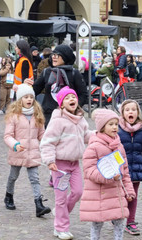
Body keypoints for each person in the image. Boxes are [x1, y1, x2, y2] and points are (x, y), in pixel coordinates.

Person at [40, 86, 92, 239]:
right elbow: (47, 142)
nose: (72, 99)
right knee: (61, 198)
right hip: (59, 165)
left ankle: (59, 214)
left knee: (78, 192)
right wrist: (49, 161)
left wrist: (100, 134)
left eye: (73, 97)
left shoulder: (81, 119)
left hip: (75, 164)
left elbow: (86, 135)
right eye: (68, 98)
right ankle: (61, 228)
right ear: (61, 103)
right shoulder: (58, 121)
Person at [80, 109, 136, 240]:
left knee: (120, 221)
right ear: (102, 127)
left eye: (116, 124)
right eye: (111, 124)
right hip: (99, 193)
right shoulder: (93, 146)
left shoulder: (119, 146)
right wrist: (107, 176)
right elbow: (89, 170)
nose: (115, 127)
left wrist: (129, 191)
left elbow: (125, 171)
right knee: (97, 222)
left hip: (116, 193)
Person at [4, 84, 51, 217]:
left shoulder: (37, 116)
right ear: (20, 99)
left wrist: (49, 143)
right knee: (13, 176)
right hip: (18, 152)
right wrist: (15, 145)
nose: (29, 99)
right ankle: (9, 195)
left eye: (31, 97)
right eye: (26, 97)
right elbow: (8, 136)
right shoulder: (14, 116)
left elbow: (42, 134)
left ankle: (38, 204)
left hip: (33, 153)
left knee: (35, 179)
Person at [118, 100, 142, 235]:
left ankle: (130, 222)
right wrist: (118, 165)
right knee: (120, 196)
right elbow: (113, 150)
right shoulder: (117, 129)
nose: (130, 112)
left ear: (138, 112)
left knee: (132, 196)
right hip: (122, 171)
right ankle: (117, 217)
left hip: (137, 169)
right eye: (127, 109)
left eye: (133, 109)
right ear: (122, 113)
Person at [33, 44, 87, 127]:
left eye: (58, 55)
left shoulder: (74, 73)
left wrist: (73, 107)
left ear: (65, 57)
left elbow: (83, 94)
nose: (54, 57)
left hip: (69, 116)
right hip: (48, 116)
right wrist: (26, 87)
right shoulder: (46, 72)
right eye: (53, 54)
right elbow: (34, 90)